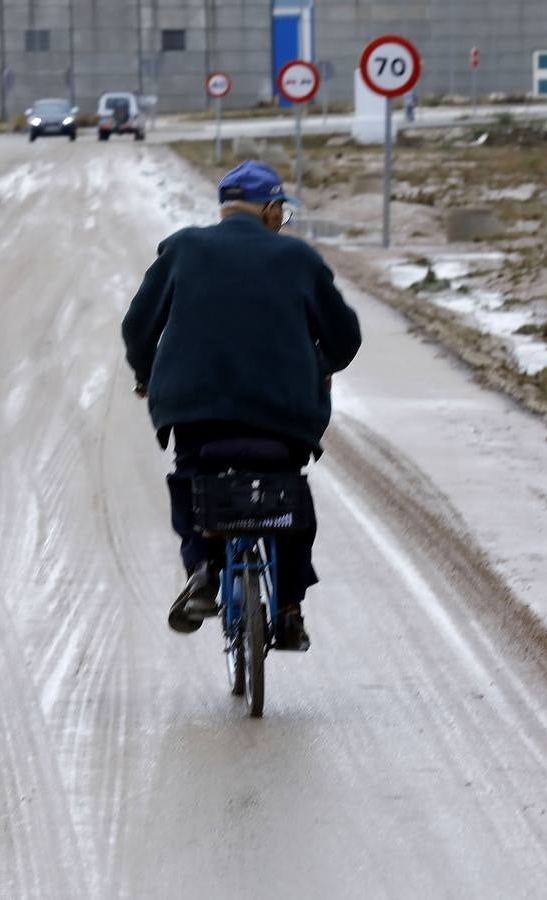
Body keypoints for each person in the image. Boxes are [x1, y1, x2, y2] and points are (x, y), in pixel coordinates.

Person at [121, 160, 362, 651]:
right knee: (287, 495)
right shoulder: (298, 259)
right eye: (282, 212)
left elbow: (138, 326)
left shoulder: (183, 249)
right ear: (271, 208)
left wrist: (146, 375)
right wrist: (321, 367)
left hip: (194, 409)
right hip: (283, 412)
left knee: (192, 479)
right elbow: (344, 335)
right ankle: (290, 610)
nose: (283, 221)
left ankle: (205, 571)